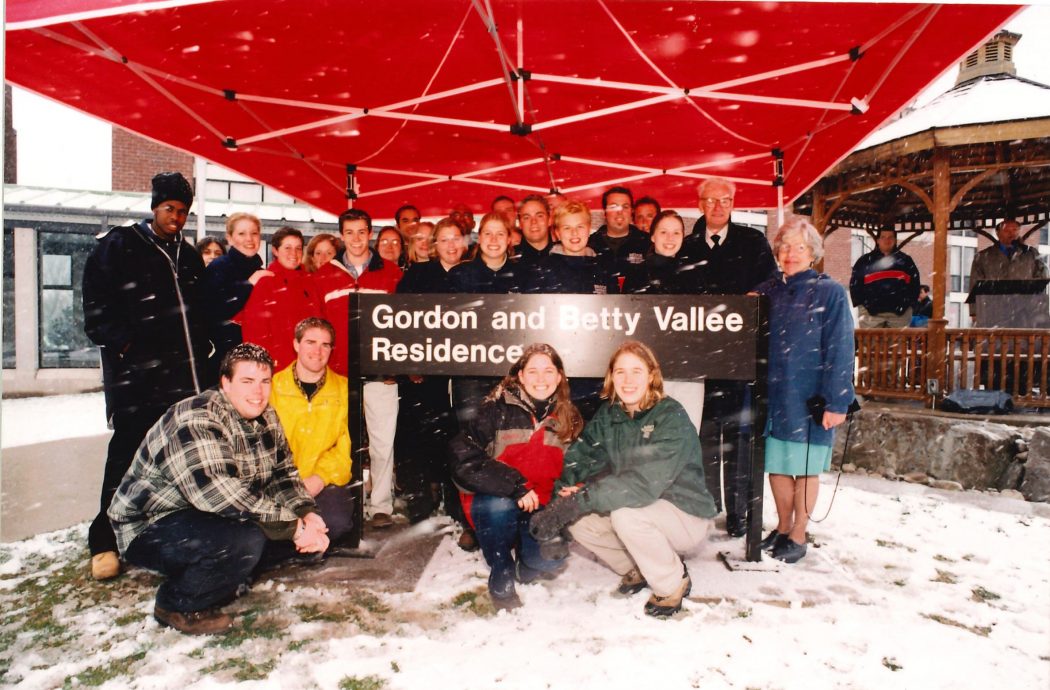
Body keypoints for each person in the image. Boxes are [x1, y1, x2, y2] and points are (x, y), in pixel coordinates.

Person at [108, 344, 327, 635]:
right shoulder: (197, 417)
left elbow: (281, 475)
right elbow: (217, 491)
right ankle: (177, 604)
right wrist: (293, 527)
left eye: (264, 382)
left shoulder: (267, 416)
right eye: (247, 381)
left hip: (208, 514)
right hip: (151, 523)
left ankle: (227, 573)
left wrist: (305, 513)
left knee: (298, 532)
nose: (258, 392)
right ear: (226, 383)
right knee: (244, 540)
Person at [82, 171, 212, 581]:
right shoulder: (119, 247)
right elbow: (96, 312)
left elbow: (200, 315)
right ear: (154, 207)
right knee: (126, 458)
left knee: (176, 464)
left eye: (182, 212)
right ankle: (103, 541)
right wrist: (131, 350)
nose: (175, 217)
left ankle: (161, 535)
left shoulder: (188, 256)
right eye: (169, 209)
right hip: (137, 383)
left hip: (183, 382)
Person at [529, 341, 717, 618]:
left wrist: (581, 500)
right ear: (611, 377)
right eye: (620, 372)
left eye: (636, 372)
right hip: (643, 505)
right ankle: (639, 568)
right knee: (580, 521)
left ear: (651, 376)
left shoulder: (670, 417)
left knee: (626, 515)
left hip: (685, 513)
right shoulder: (611, 415)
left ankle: (672, 583)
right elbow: (581, 457)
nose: (628, 381)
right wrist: (560, 502)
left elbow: (642, 485)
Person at [677, 177, 777, 538]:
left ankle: (739, 514)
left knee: (739, 436)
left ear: (734, 203)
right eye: (711, 200)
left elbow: (771, 282)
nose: (718, 206)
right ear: (699, 203)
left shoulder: (752, 241)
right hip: (697, 359)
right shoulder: (685, 247)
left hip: (739, 358)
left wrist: (755, 294)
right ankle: (707, 509)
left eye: (726, 200)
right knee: (702, 437)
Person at [449, 344, 584, 610]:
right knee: (495, 506)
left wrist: (573, 491)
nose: (541, 379)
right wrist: (515, 486)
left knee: (551, 558)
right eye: (533, 371)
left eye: (548, 371)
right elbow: (462, 457)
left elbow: (583, 466)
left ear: (559, 377)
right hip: (500, 499)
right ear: (520, 376)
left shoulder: (571, 418)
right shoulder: (494, 411)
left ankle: (526, 563)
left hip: (543, 506)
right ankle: (502, 571)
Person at [753, 217, 854, 564]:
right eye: (784, 247)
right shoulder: (768, 291)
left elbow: (842, 349)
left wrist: (838, 400)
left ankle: (799, 532)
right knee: (778, 463)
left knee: (805, 467)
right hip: (775, 396)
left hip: (810, 396)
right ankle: (782, 527)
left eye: (799, 247)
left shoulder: (831, 292)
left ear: (812, 252)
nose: (790, 253)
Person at [313, 209, 403, 528]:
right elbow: (317, 325)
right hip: (339, 374)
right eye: (349, 232)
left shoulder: (391, 273)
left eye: (361, 232)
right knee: (342, 441)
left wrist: (397, 362)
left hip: (381, 371)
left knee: (382, 441)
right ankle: (348, 504)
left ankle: (380, 506)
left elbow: (403, 324)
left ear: (370, 233)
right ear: (341, 236)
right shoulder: (324, 275)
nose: (355, 239)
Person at [395, 218, 470, 541]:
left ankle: (458, 506)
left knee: (459, 438)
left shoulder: (473, 274)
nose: (451, 245)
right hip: (425, 371)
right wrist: (411, 360)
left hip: (464, 369)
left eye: (457, 239)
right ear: (433, 244)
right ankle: (421, 503)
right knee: (420, 436)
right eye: (444, 239)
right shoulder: (417, 276)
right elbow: (400, 320)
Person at [524, 200, 617, 419]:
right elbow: (530, 323)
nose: (574, 233)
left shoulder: (603, 269)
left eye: (580, 227)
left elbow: (616, 319)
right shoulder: (542, 270)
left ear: (589, 229)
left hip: (596, 374)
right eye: (567, 228)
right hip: (554, 376)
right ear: (557, 232)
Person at [269, 318, 355, 545]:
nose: (317, 351)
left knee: (336, 523)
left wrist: (320, 477)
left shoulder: (345, 389)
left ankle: (303, 539)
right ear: (296, 345)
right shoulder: (272, 387)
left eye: (325, 345)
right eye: (310, 342)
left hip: (321, 481)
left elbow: (345, 447)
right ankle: (295, 541)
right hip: (278, 482)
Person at [622, 210, 704, 435]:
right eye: (664, 232)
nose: (670, 238)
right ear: (652, 236)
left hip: (688, 371)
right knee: (646, 436)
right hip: (649, 370)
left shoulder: (695, 274)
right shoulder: (637, 274)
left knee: (685, 435)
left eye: (676, 232)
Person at [236, 226, 321, 371]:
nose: (293, 253)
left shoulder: (310, 281)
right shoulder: (267, 281)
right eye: (287, 248)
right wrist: (266, 365)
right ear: (275, 251)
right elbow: (254, 330)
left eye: (298, 248)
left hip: (309, 365)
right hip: (278, 367)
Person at [202, 212, 272, 375]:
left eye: (254, 233)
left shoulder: (262, 271)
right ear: (230, 238)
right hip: (224, 360)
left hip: (255, 358)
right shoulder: (219, 267)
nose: (249, 239)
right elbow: (212, 310)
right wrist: (249, 284)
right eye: (242, 233)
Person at [969, 219, 1049, 324]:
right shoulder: (983, 257)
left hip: (1025, 313)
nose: (1012, 234)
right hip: (994, 312)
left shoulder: (1031, 254)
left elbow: (1042, 279)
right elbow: (974, 284)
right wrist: (974, 312)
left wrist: (1040, 307)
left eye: (1015, 230)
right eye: (1007, 231)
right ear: (998, 233)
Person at [849, 228, 921, 328]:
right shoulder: (865, 261)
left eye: (890, 237)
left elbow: (915, 285)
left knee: (898, 344)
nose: (887, 240)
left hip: (899, 316)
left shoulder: (906, 261)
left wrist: (910, 306)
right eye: (883, 237)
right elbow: (855, 285)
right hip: (871, 315)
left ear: (895, 240)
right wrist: (862, 306)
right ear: (878, 240)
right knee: (870, 344)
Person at [587, 185, 650, 288]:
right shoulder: (590, 245)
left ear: (631, 212)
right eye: (613, 207)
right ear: (604, 213)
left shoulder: (647, 243)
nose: (620, 212)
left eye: (625, 207)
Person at [517, 194, 554, 264]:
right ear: (520, 224)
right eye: (526, 217)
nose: (533, 222)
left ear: (549, 220)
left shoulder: (565, 254)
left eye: (539, 216)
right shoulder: (509, 259)